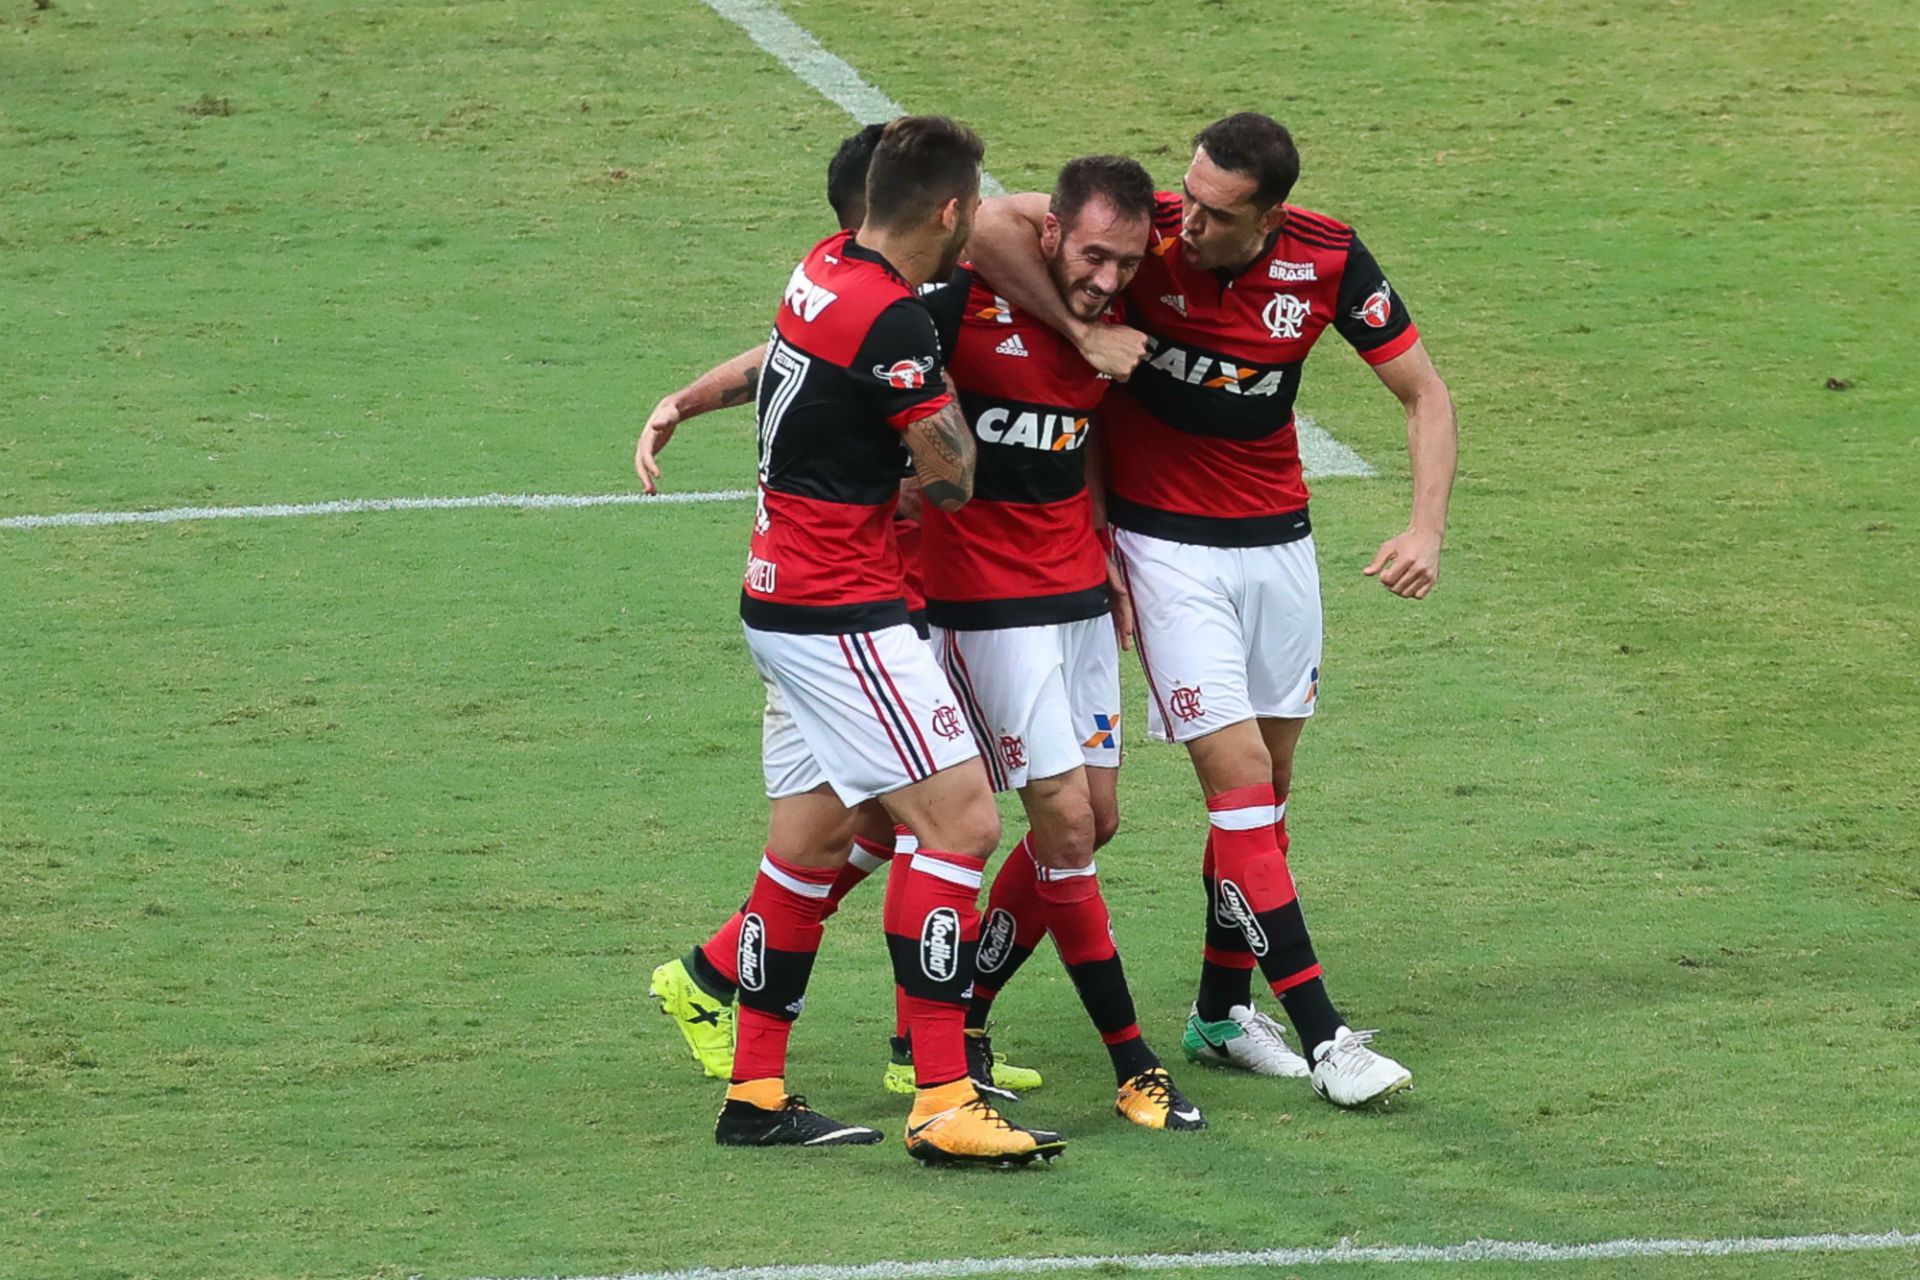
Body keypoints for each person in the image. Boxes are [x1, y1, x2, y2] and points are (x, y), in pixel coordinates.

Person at [968, 112, 1458, 1107]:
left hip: (1278, 545)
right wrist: (1081, 328)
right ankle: (1327, 1039)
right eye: (1185, 194)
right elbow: (983, 225)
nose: (1184, 222)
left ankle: (1220, 1013)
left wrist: (1425, 528)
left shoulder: (1325, 257)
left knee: (1268, 797)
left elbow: (1424, 392)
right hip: (1160, 545)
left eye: (1213, 210)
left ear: (1268, 214)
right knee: (1233, 785)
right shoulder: (1140, 234)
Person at [640, 122, 1044, 1103]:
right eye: (974, 207)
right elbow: (951, 481)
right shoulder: (898, 320)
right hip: (843, 607)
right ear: (949, 212)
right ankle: (943, 1089)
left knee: (827, 839)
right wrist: (937, 431)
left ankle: (755, 1088)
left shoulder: (820, 268)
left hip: (788, 593)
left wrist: (686, 401)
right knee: (958, 823)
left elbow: (787, 359)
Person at [907, 153, 1204, 1130]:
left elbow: (1071, 448)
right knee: (1061, 827)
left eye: (1124, 263)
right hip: (989, 601)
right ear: (1051, 235)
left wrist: (1109, 551)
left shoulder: (1119, 316)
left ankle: (961, 1009)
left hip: (1076, 593)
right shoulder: (966, 298)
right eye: (1091, 257)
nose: (1109, 280)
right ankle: (1135, 1061)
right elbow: (988, 221)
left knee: (1095, 820)